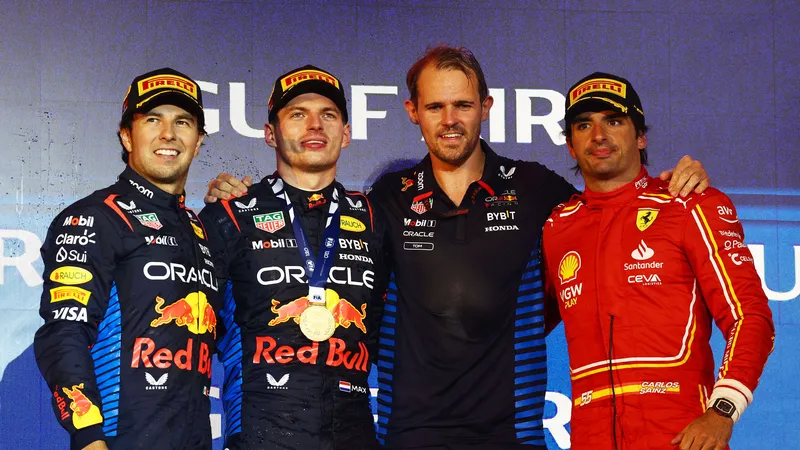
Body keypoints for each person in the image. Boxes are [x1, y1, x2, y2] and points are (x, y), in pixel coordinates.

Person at [205, 47, 709, 449]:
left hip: (511, 435)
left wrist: (667, 184)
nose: (450, 119)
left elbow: (608, 212)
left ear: (486, 108)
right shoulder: (384, 198)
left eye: (464, 105)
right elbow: (324, 251)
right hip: (407, 435)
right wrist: (235, 199)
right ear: (413, 113)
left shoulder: (536, 189)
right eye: (435, 106)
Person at [542, 72, 774, 450]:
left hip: (681, 437)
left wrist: (723, 410)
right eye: (584, 125)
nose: (599, 135)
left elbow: (749, 315)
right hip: (589, 438)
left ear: (641, 136)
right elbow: (522, 324)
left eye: (614, 121)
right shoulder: (556, 226)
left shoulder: (690, 203)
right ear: (569, 144)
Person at [199, 65, 387, 449]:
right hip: (261, 432)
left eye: (328, 115)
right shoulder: (230, 214)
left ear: (346, 134)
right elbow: (192, 328)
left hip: (353, 435)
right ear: (271, 134)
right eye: (298, 115)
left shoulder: (373, 219)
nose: (315, 125)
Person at [34, 68, 221, 450]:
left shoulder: (199, 227)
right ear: (126, 135)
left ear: (199, 141)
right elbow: (63, 334)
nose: (168, 134)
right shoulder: (95, 217)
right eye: (153, 120)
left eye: (182, 122)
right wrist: (88, 438)